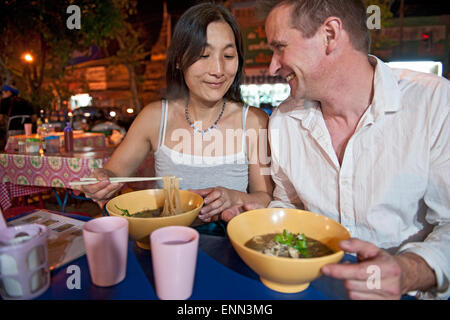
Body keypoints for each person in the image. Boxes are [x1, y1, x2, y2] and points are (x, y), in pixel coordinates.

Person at [231, 0, 448, 300]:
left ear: (330, 35)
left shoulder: (435, 103)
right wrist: (266, 217)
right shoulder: (283, 121)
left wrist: (408, 270)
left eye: (280, 47)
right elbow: (290, 204)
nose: (272, 66)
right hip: (314, 289)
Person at [81, 3, 273, 224]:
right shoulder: (154, 117)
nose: (218, 70)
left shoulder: (254, 121)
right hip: (163, 240)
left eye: (228, 55)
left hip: (229, 246)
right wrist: (103, 180)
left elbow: (266, 198)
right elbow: (114, 172)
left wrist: (235, 198)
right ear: (181, 60)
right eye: (203, 55)